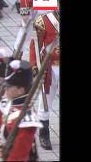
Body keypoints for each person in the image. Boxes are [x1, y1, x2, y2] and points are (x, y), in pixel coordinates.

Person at [0, 60, 42, 161]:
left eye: (9, 87)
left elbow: (18, 156)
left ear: (21, 90)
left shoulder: (28, 121)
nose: (5, 89)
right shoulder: (7, 104)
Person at [29, 11, 59, 150]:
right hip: (50, 67)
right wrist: (35, 67)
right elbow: (34, 45)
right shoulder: (43, 20)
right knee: (45, 100)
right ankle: (44, 133)